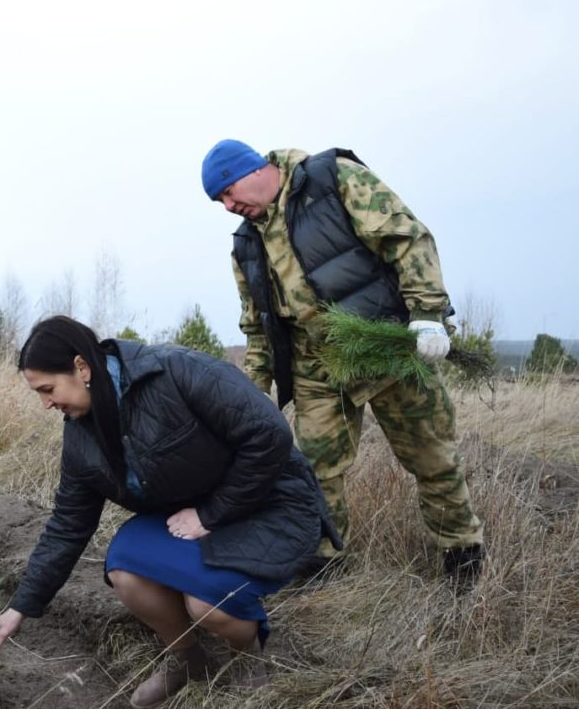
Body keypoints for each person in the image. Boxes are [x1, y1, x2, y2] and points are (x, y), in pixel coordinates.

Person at [0, 316, 341, 707]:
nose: (46, 404)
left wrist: (210, 514)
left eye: (48, 389)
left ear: (82, 368)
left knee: (205, 603)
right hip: (195, 518)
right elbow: (69, 524)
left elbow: (270, 434)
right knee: (124, 566)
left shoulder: (175, 371)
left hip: (269, 503)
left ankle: (245, 659)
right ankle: (190, 660)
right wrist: (22, 605)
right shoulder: (80, 438)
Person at [200, 139, 484, 584]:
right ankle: (323, 563)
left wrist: (428, 314)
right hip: (315, 367)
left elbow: (406, 237)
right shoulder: (246, 244)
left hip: (384, 348)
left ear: (253, 170)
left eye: (228, 193)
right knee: (315, 471)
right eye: (220, 202)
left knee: (433, 459)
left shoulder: (330, 181)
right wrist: (250, 396)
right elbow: (256, 327)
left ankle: (461, 557)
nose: (228, 206)